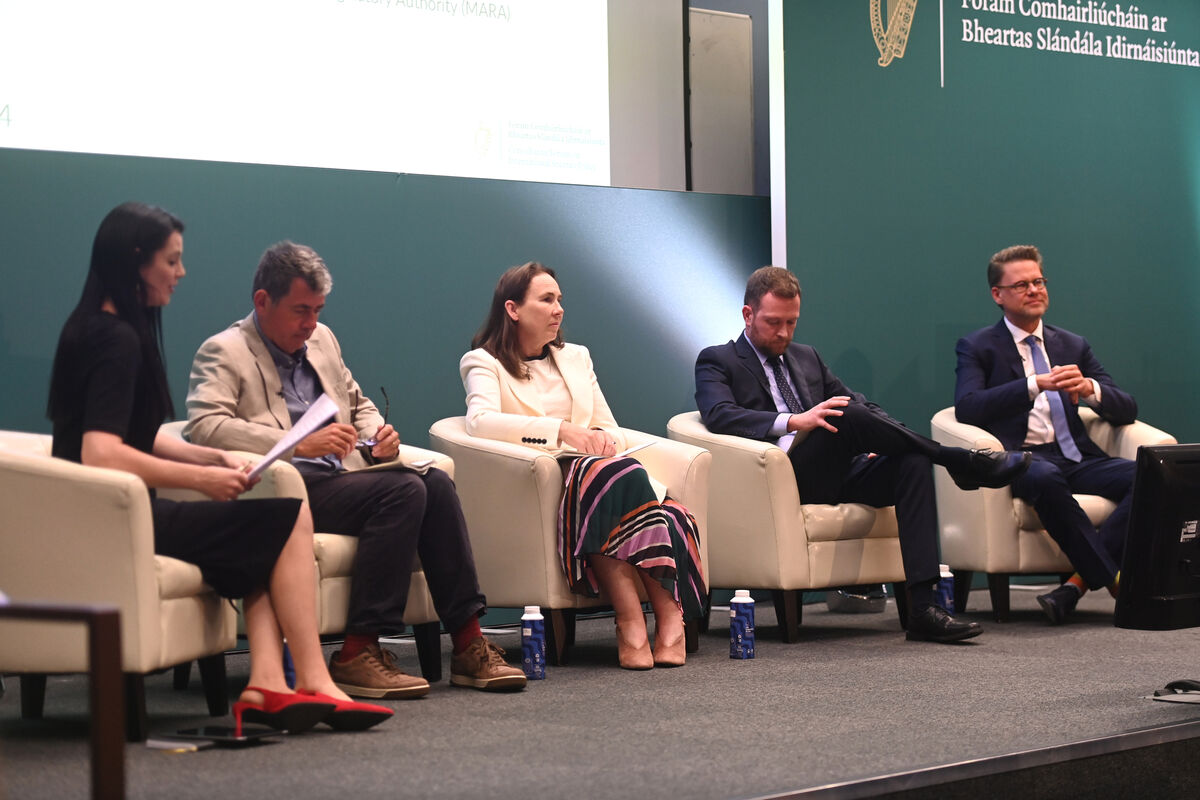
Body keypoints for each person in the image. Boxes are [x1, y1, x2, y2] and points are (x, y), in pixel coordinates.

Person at [47, 203, 391, 735]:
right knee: (284, 518)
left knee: (263, 525)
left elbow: (139, 439)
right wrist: (204, 479)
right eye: (172, 260)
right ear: (136, 262)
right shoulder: (114, 340)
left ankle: (269, 684)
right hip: (111, 518)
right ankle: (311, 681)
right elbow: (100, 454)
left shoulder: (98, 327)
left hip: (111, 510)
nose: (180, 273)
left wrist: (216, 456)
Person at [185, 241, 525, 695]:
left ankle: (468, 644)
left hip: (337, 480)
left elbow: (357, 404)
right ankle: (357, 652)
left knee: (436, 484)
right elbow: (204, 427)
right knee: (405, 492)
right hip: (280, 489)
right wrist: (294, 444)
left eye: (318, 311)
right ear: (262, 302)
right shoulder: (224, 351)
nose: (310, 324)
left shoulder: (322, 340)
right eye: (300, 311)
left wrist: (378, 437)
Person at [695, 266, 1034, 644]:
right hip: (782, 479)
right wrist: (794, 421)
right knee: (843, 412)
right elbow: (720, 414)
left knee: (911, 461)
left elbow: (862, 404)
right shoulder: (717, 360)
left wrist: (886, 439)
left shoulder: (806, 357)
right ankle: (959, 461)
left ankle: (923, 609)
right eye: (774, 323)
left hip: (840, 470)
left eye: (792, 323)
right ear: (748, 314)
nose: (784, 333)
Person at [460, 262, 707, 669]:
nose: (558, 309)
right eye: (546, 299)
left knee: (664, 506)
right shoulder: (483, 362)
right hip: (549, 478)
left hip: (603, 474)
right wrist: (563, 432)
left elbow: (606, 425)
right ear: (513, 309)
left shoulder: (576, 358)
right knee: (613, 479)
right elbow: (480, 423)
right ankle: (636, 618)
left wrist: (604, 441)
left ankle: (665, 618)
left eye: (560, 300)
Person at [955, 245, 1137, 624]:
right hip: (1024, 458)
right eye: (1022, 285)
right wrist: (1033, 384)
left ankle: (1075, 585)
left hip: (1077, 456)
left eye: (1039, 281)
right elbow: (968, 407)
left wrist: (1090, 389)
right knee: (1045, 475)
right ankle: (1113, 580)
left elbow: (1127, 408)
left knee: (1154, 474)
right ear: (998, 295)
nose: (1034, 290)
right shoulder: (978, 347)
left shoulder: (1071, 344)